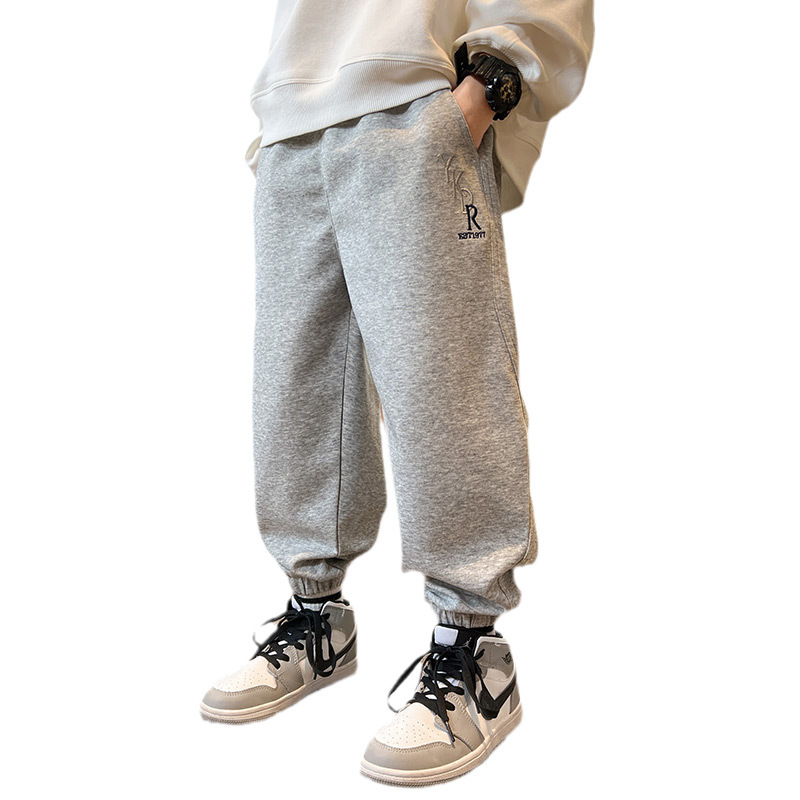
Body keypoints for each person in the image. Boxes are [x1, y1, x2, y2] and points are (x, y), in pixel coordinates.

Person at [200, 0, 594, 785]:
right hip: (291, 120)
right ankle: (317, 620)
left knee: (444, 383)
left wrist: (491, 82)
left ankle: (473, 653)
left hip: (414, 105)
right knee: (295, 390)